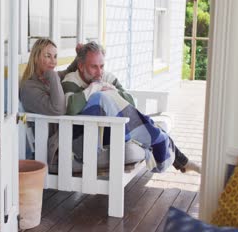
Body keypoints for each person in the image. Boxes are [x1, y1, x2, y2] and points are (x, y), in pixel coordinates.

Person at [61, 41, 201, 173]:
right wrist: (94, 88)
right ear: (80, 66)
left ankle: (182, 161)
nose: (99, 72)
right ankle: (182, 160)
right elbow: (71, 108)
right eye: (94, 67)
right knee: (101, 98)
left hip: (115, 128)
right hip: (91, 136)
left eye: (102, 66)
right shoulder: (71, 79)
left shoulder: (107, 77)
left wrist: (112, 90)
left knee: (145, 123)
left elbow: (130, 103)